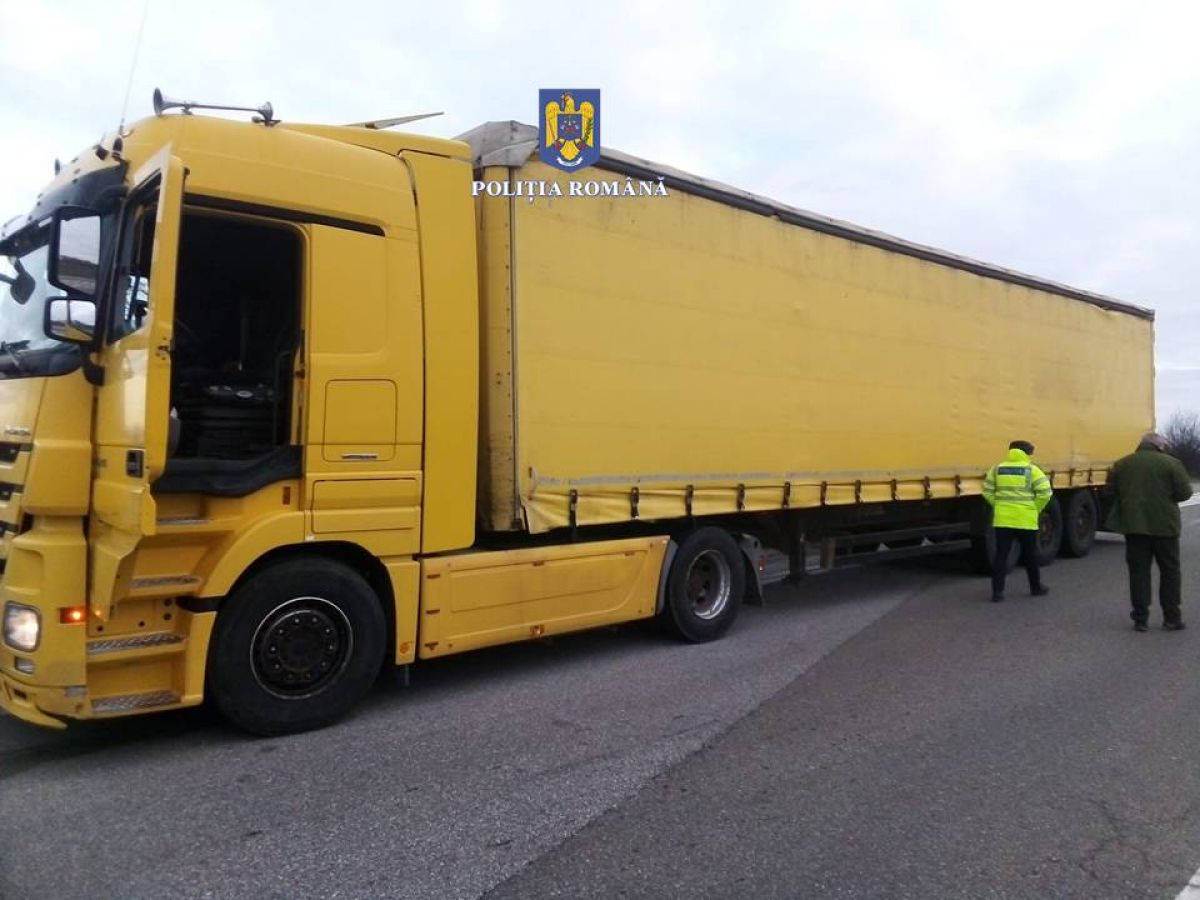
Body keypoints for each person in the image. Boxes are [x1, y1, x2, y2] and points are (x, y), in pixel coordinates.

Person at [1105, 432, 1194, 632]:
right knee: (1170, 572)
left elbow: (1109, 492)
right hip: (1165, 528)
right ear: (1159, 446)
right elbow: (1184, 493)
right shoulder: (1172, 464)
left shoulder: (1122, 464)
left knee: (1139, 572)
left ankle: (1140, 619)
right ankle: (1171, 617)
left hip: (1134, 527)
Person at [982, 440, 1053, 602]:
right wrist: (1034, 508)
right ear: (1026, 453)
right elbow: (1045, 493)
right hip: (1025, 520)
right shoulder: (1032, 470)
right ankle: (1036, 587)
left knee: (1001, 555)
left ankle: (997, 593)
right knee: (1030, 555)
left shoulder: (997, 469)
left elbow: (987, 491)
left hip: (1003, 520)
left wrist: (998, 505)